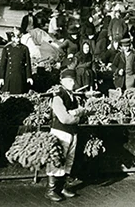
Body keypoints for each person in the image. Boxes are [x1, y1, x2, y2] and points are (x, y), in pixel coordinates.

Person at [46, 69, 85, 201]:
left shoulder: (71, 95)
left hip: (72, 132)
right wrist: (79, 116)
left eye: (73, 80)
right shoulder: (58, 96)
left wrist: (75, 112)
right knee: (57, 160)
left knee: (69, 160)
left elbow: (71, 114)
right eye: (69, 80)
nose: (72, 83)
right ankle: (51, 190)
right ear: (62, 81)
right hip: (61, 132)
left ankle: (62, 187)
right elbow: (64, 118)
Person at [0, 27, 33, 94]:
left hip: (21, 76)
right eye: (16, 38)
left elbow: (28, 64)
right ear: (12, 38)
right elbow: (2, 64)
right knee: (8, 93)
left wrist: (29, 77)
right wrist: (1, 77)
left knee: (20, 93)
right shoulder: (6, 49)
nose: (18, 40)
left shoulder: (24, 48)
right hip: (9, 76)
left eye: (19, 38)